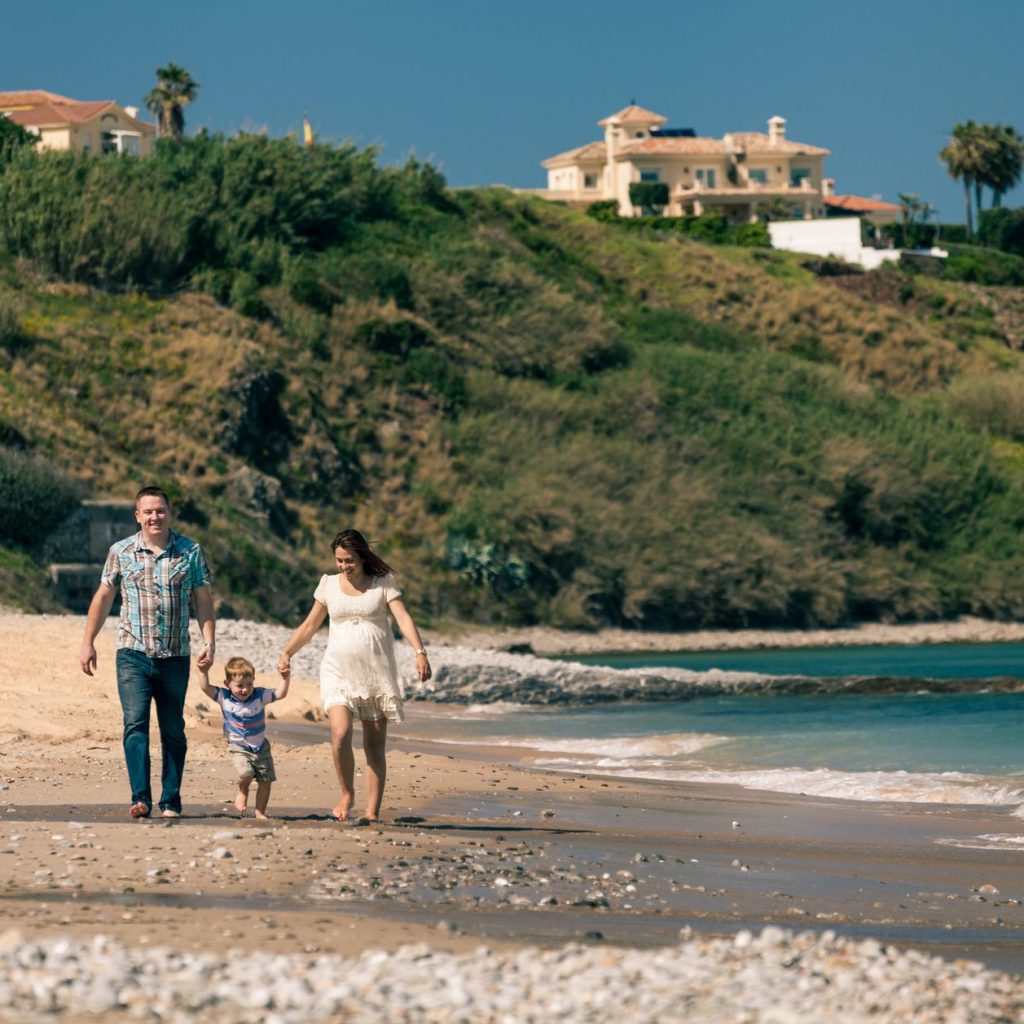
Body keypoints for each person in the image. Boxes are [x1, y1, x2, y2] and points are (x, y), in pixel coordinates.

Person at [277, 529, 431, 824]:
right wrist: (287, 652)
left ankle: (372, 812)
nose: (344, 566)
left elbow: (403, 618)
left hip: (376, 673)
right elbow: (310, 625)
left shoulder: (383, 584)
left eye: (349, 560)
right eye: (339, 560)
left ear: (362, 557)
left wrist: (419, 651)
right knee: (340, 733)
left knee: (374, 746)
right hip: (338, 671)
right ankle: (347, 793)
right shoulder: (329, 585)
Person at [79, 486, 215, 819]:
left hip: (175, 655)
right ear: (137, 516)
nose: (155, 517)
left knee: (173, 729)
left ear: (169, 513)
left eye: (160, 510)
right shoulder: (121, 551)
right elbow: (103, 597)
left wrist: (209, 640)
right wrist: (88, 641)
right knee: (135, 724)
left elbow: (203, 600)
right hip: (132, 654)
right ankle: (140, 797)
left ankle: (171, 800)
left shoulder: (191, 551)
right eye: (148, 511)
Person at [197, 655, 290, 820]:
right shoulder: (223, 697)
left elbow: (281, 694)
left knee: (265, 781)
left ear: (254, 680)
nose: (245, 690)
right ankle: (242, 791)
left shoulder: (260, 695)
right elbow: (205, 687)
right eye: (239, 686)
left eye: (249, 684)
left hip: (261, 747)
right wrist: (203, 671)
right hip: (237, 746)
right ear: (228, 684)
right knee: (245, 773)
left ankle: (260, 812)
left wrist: (285, 678)